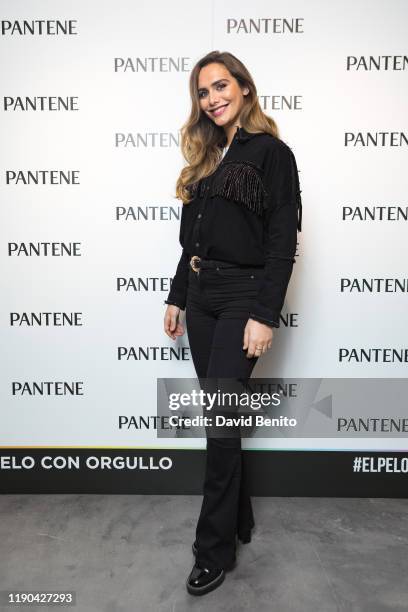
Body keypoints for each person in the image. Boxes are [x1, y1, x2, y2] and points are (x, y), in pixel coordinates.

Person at [163, 50, 302, 596]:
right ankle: (239, 521)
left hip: (243, 297)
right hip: (200, 297)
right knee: (221, 420)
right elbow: (190, 243)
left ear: (244, 87)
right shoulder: (206, 156)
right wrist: (177, 296)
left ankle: (213, 549)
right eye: (203, 91)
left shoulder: (272, 153)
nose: (213, 98)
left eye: (221, 86)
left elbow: (282, 243)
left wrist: (264, 314)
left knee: (219, 423)